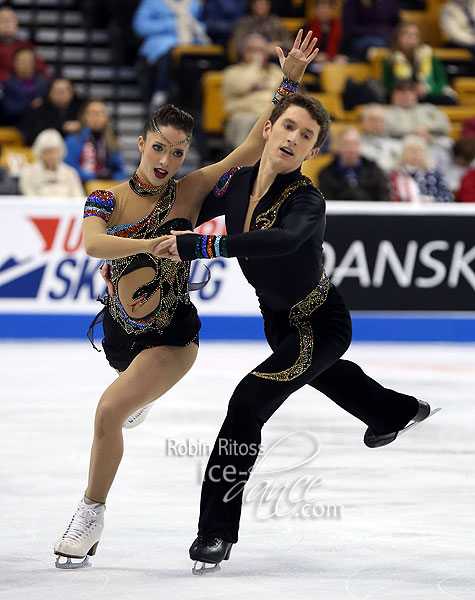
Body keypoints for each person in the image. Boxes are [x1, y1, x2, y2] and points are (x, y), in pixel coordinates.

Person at [53, 30, 320, 569]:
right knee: (123, 396)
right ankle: (140, 394)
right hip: (119, 334)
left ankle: (90, 512)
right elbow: (91, 243)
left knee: (107, 412)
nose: (167, 159)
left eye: (177, 152)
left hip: (173, 337)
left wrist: (288, 80)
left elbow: (249, 147)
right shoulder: (107, 196)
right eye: (159, 147)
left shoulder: (190, 190)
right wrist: (152, 243)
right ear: (141, 143)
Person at [153, 93, 433, 571]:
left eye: (306, 136)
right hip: (278, 322)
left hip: (318, 322)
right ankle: (396, 412)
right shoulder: (234, 185)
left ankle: (215, 532)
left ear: (313, 152)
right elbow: (183, 213)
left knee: (248, 401)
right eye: (288, 127)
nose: (293, 138)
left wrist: (204, 246)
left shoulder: (307, 199)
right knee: (328, 376)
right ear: (268, 129)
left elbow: (280, 241)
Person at [132, 0, 210, 106]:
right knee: (168, 52)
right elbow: (139, 26)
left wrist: (196, 26)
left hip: (191, 45)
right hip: (160, 45)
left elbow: (203, 25)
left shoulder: (195, 3)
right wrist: (170, 25)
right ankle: (160, 92)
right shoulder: (152, 2)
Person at [223, 33, 283, 149]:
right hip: (244, 116)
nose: (257, 54)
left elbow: (284, 92)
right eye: (252, 50)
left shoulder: (275, 71)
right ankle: (242, 163)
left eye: (261, 50)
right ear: (243, 52)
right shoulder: (232, 72)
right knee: (246, 121)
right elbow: (242, 85)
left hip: (269, 115)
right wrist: (257, 63)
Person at [382, 22, 458, 105]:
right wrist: (406, 91)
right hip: (402, 97)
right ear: (398, 37)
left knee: (447, 100)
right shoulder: (390, 58)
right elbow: (387, 85)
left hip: (428, 94)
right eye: (407, 35)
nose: (411, 39)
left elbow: (441, 80)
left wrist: (428, 90)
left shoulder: (428, 55)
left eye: (415, 35)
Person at [318, 126, 390, 200]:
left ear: (360, 146)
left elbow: (384, 200)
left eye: (355, 144)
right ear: (339, 147)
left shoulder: (374, 170)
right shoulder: (326, 173)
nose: (351, 149)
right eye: (346, 144)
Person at [64, 99, 126, 183]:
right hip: (81, 187)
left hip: (106, 187)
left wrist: (113, 178)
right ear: (85, 116)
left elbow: (119, 170)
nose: (97, 117)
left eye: (101, 113)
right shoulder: (73, 140)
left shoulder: (111, 140)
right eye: (93, 113)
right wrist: (95, 177)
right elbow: (69, 169)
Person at [19, 129, 84, 197]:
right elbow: (29, 198)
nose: (52, 156)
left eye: (56, 152)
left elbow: (78, 197)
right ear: (39, 152)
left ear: (61, 152)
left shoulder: (70, 173)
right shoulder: (28, 173)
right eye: (48, 152)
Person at [390, 135, 454, 202]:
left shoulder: (434, 174)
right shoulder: (394, 175)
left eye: (419, 150)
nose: (415, 154)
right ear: (403, 153)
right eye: (411, 150)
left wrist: (433, 201)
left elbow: (448, 197)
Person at [20, 77, 82, 146]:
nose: (61, 95)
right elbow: (34, 135)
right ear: (49, 93)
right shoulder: (38, 109)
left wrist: (81, 126)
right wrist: (63, 127)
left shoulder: (81, 109)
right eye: (57, 91)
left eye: (64, 91)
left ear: (72, 93)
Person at [0, 5, 49, 84]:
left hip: (23, 88)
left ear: (16, 25)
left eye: (9, 21)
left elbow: (42, 70)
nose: (6, 25)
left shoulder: (26, 46)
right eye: (2, 20)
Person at [1, 47, 49, 127]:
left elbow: (48, 107)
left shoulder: (44, 83)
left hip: (40, 126)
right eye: (22, 61)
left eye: (29, 61)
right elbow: (9, 109)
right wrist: (30, 105)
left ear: (34, 63)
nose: (26, 64)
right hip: (14, 125)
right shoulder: (7, 84)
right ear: (14, 63)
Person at [305, 0, 347, 71]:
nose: (324, 12)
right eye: (321, 9)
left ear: (332, 10)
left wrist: (340, 57)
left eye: (326, 9)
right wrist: (314, 57)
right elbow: (300, 53)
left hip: (335, 63)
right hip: (313, 64)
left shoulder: (341, 28)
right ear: (315, 10)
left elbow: (347, 50)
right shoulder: (306, 28)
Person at [360, 103, 401, 172]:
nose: (377, 124)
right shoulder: (357, 144)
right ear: (363, 122)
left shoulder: (397, 144)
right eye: (372, 120)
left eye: (381, 120)